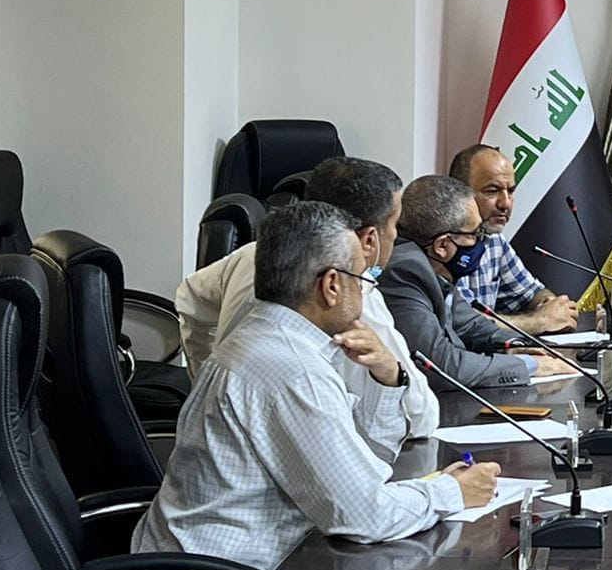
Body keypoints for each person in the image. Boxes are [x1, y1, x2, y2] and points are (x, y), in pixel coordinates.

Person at [134, 202, 501, 570]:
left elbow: (370, 464)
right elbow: (362, 517)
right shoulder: (291, 370)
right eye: (362, 279)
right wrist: (452, 493)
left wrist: (388, 378)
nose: (364, 292)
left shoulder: (271, 337)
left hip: (207, 564)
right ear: (330, 285)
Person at [175, 156, 440, 452]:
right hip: (295, 454)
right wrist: (394, 373)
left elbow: (189, 299)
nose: (396, 236)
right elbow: (420, 420)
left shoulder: (254, 253)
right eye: (395, 225)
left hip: (226, 439)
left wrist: (204, 379)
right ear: (369, 240)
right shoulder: (352, 296)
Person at [379, 175, 561, 391]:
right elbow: (442, 366)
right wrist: (529, 365)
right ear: (442, 246)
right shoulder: (404, 271)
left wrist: (519, 346)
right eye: (475, 234)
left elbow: (470, 325)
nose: (482, 241)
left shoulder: (434, 269)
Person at [447, 143, 578, 333]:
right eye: (492, 191)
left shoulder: (494, 240)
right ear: (459, 192)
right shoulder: (442, 246)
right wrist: (540, 321)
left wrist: (550, 305)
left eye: (511, 191)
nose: (505, 203)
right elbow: (465, 323)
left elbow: (531, 292)